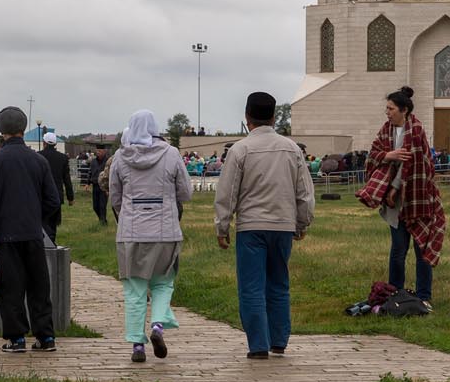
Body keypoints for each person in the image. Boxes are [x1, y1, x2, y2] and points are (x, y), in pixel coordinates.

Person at [214, 92, 314, 359]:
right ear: (274, 117)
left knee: (251, 287)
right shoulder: (292, 148)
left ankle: (258, 345)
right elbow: (304, 191)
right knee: (279, 284)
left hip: (251, 227)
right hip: (282, 225)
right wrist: (302, 222)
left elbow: (227, 192)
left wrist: (222, 227)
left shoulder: (240, 149)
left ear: (247, 118)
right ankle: (279, 340)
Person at [109, 110, 191, 363]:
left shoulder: (120, 158)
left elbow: (114, 196)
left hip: (131, 232)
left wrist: (128, 214)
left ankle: (136, 344)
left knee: (134, 289)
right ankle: (157, 325)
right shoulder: (171, 153)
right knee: (163, 282)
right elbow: (185, 192)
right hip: (165, 231)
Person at [0, 106, 60, 353]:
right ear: (24, 129)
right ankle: (45, 337)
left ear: (1, 130)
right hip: (33, 233)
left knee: (11, 289)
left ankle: (16, 338)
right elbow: (53, 200)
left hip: (6, 236)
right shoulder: (39, 160)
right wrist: (36, 217)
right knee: (38, 286)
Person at [358, 86, 447, 308]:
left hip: (417, 198)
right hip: (394, 202)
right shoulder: (385, 130)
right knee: (398, 249)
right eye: (386, 108)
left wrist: (395, 188)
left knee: (421, 248)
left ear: (404, 110)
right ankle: (394, 293)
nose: (387, 112)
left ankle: (423, 296)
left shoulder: (415, 130)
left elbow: (415, 165)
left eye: (391, 108)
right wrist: (389, 155)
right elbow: (373, 156)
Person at [38, 131, 75, 241]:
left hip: (42, 195)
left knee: (42, 221)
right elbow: (67, 180)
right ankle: (52, 242)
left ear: (44, 143)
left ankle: (44, 243)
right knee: (53, 222)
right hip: (56, 195)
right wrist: (70, 197)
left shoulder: (38, 156)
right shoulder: (63, 158)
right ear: (55, 144)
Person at [89, 143, 112, 225]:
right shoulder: (93, 161)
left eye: (100, 150)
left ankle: (103, 222)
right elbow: (90, 172)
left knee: (102, 205)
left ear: (104, 151)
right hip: (95, 185)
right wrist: (87, 183)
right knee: (95, 206)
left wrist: (109, 188)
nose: (98, 152)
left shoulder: (108, 161)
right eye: (97, 150)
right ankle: (101, 219)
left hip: (104, 186)